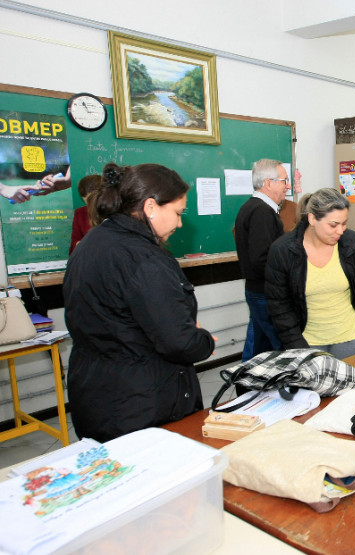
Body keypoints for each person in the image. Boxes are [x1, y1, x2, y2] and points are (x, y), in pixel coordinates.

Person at [62, 162, 216, 442]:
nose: (180, 223)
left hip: (94, 394)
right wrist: (204, 340)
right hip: (141, 403)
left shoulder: (90, 243)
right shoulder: (145, 259)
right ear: (151, 207)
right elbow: (177, 341)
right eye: (178, 213)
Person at [265, 187, 355, 359]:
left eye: (344, 223)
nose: (341, 231)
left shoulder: (353, 244)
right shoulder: (283, 251)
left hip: (351, 335)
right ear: (312, 219)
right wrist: (297, 348)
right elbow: (279, 307)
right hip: (307, 340)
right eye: (333, 225)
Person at [235, 159, 289, 361]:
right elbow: (262, 259)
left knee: (257, 347)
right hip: (266, 292)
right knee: (282, 347)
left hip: (259, 291)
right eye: (284, 181)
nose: (288, 186)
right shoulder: (261, 212)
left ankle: (245, 386)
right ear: (268, 183)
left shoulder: (254, 207)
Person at [69, 174, 102, 254]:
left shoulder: (114, 211)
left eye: (93, 201)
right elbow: (73, 247)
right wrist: (80, 244)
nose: (91, 207)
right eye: (87, 202)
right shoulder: (80, 213)